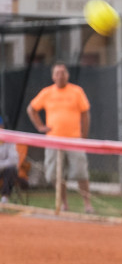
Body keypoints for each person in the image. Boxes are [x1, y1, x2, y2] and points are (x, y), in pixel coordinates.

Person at [26, 61, 93, 213]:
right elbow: (31, 109)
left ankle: (88, 205)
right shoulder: (47, 92)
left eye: (63, 72)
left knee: (81, 172)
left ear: (67, 75)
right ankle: (64, 204)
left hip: (74, 139)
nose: (60, 76)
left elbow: (85, 113)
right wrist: (40, 127)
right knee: (56, 174)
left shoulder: (76, 91)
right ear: (53, 76)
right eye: (57, 73)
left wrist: (84, 136)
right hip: (53, 140)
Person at [0, 116, 17, 204]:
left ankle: (4, 198)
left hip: (4, 170)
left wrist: (1, 165)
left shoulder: (9, 140)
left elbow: (13, 160)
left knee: (11, 170)